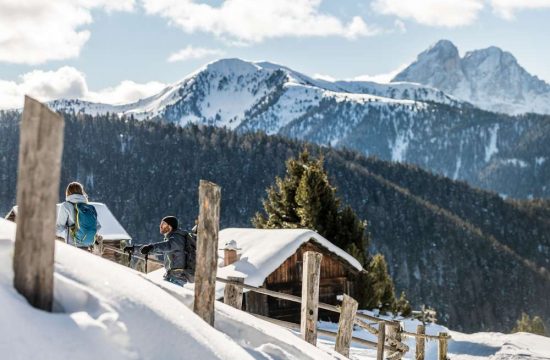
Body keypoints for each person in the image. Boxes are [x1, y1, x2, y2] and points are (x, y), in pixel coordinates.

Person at [129, 216, 195, 285]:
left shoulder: (177, 238)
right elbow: (158, 249)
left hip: (176, 278)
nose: (160, 226)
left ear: (170, 226)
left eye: (163, 224)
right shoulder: (173, 238)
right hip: (174, 276)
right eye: (160, 224)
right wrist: (134, 248)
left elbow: (166, 246)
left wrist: (151, 247)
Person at [56, 181, 101, 251]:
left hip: (72, 246)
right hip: (87, 246)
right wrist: (86, 235)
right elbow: (98, 226)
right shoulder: (89, 207)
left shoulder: (66, 206)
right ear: (81, 192)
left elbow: (59, 228)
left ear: (68, 192)